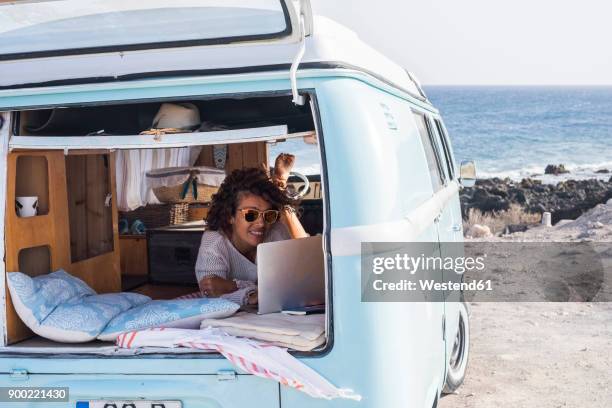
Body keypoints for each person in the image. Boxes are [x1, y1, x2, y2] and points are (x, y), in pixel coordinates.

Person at [195, 153, 308, 306]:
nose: (261, 223)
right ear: (230, 215)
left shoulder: (275, 232)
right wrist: (251, 295)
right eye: (251, 214)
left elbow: (307, 264)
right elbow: (211, 295)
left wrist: (233, 286)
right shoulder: (214, 242)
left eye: (268, 214)